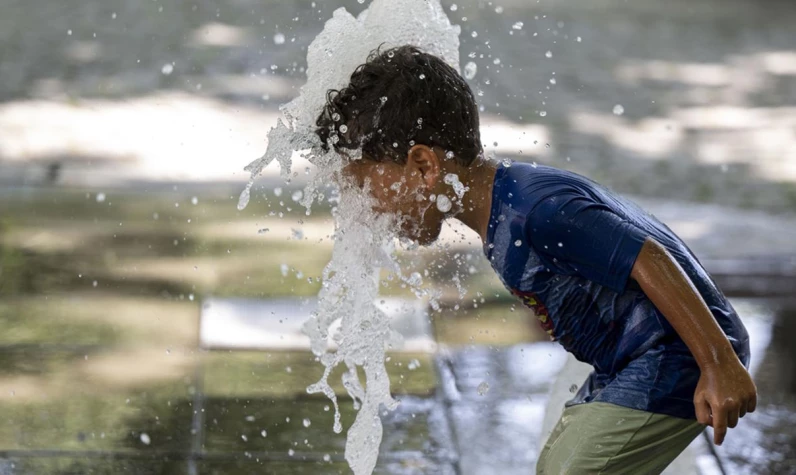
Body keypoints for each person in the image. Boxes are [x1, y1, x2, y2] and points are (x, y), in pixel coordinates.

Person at [315, 45, 757, 474]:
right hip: (636, 359)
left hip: (678, 356)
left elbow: (650, 257)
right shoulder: (505, 208)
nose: (366, 208)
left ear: (424, 166)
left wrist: (718, 363)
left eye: (368, 189)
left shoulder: (536, 210)